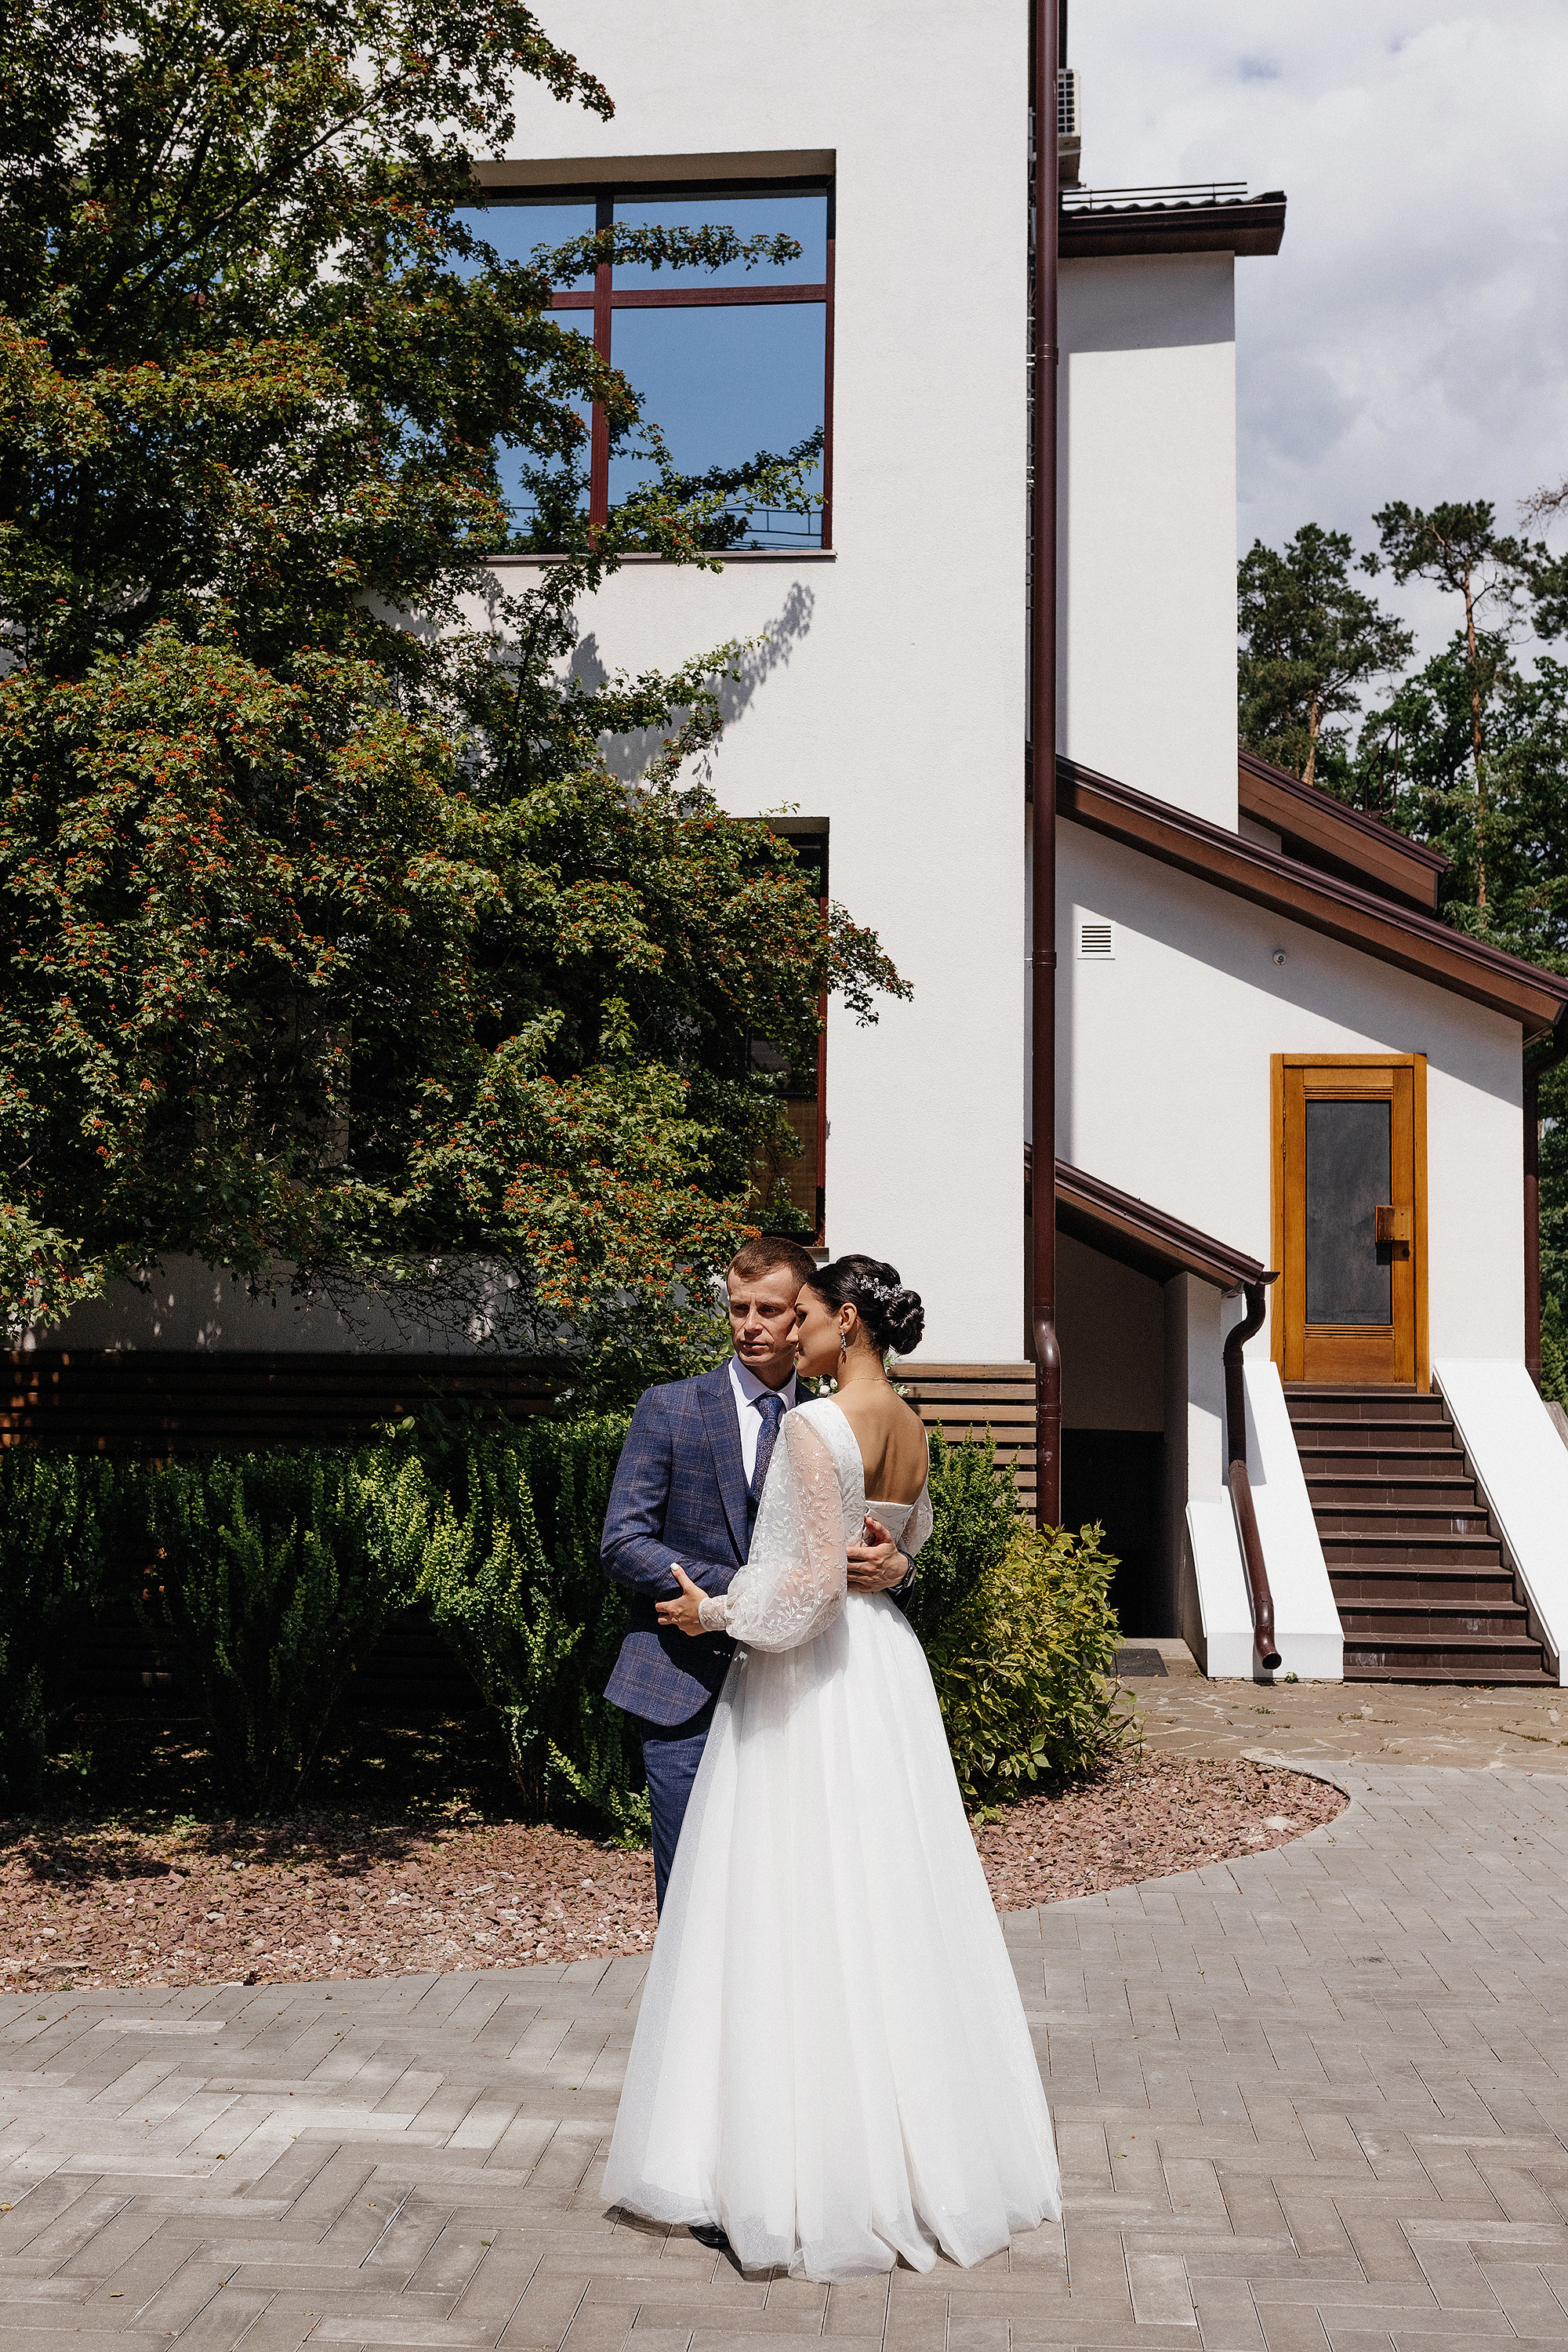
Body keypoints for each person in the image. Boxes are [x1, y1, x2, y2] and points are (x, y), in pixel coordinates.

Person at [601, 1256, 1062, 2281]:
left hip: (805, 1678)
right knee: (881, 1903)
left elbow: (809, 1586)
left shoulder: (814, 1423)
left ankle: (791, 2164)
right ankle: (901, 2150)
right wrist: (889, 1564)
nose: (780, 1326)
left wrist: (712, 1610)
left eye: (796, 1311)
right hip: (881, 1672)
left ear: (840, 1320)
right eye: (757, 1309)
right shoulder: (907, 1419)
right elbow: (901, 1534)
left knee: (788, 1909)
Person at [600, 1236, 916, 1915]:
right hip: (685, 1681)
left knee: (795, 1896)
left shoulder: (836, 1419)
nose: (750, 1325)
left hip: (809, 1691)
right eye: (737, 1307)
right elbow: (623, 1542)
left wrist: (900, 1566)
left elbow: (888, 1542)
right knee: (691, 1895)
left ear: (805, 1311)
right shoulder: (670, 1407)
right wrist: (754, 1585)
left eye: (771, 1310)